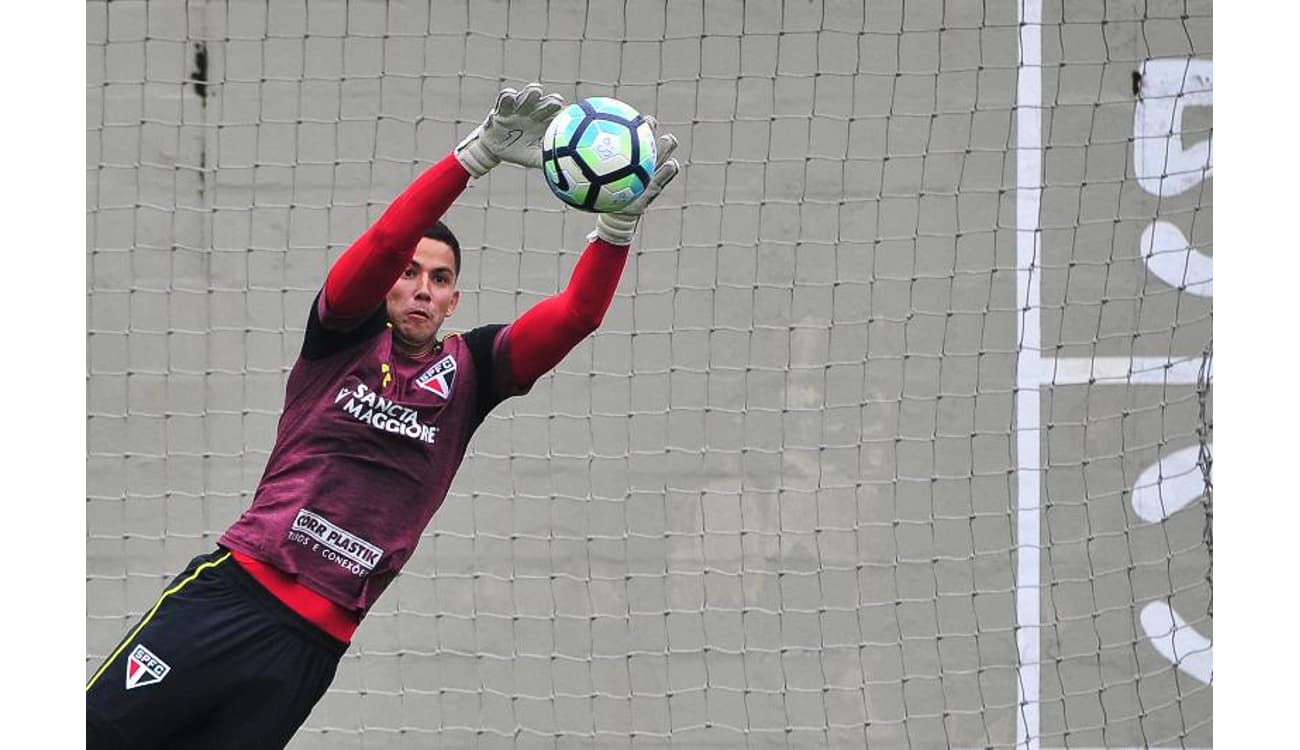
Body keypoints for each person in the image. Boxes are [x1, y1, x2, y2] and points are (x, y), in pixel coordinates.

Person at [86, 82, 680, 749]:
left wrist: (616, 230)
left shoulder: (474, 372)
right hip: (230, 599)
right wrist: (472, 159)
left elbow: (576, 316)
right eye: (410, 272)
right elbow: (383, 240)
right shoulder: (342, 332)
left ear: (455, 299)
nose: (421, 286)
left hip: (311, 645)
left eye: (440, 277)